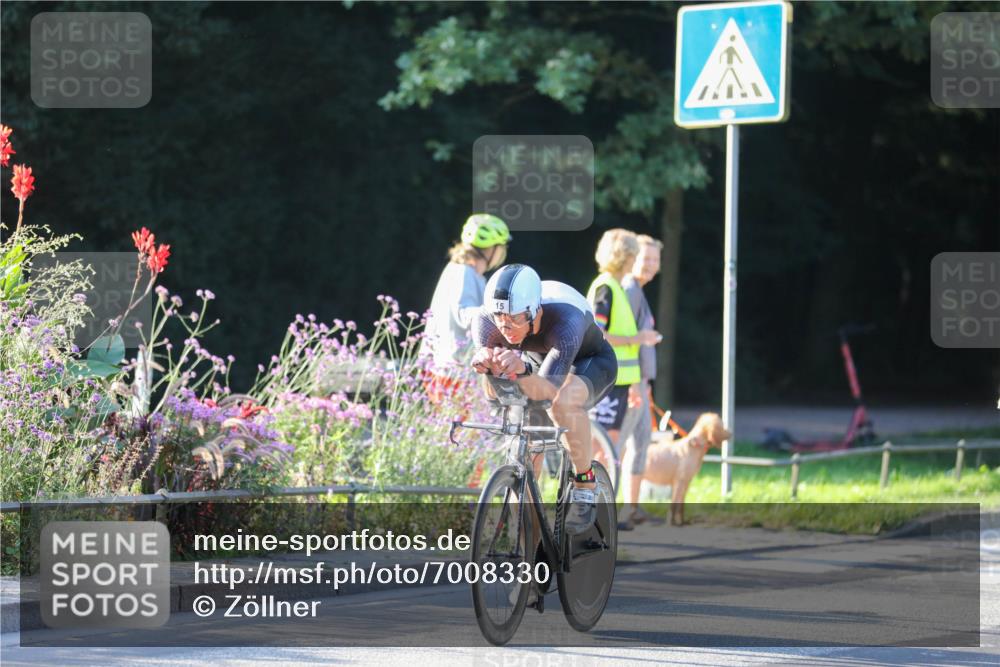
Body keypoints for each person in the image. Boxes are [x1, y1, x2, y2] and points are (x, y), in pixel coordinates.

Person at [470, 264, 617, 537]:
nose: (506, 328)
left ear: (534, 312)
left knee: (563, 403)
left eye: (514, 319)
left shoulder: (566, 321)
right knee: (525, 451)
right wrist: (488, 368)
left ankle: (585, 484)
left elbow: (547, 392)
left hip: (588, 362)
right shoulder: (485, 320)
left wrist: (520, 371)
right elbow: (494, 395)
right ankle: (529, 550)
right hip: (538, 364)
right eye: (500, 318)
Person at [422, 214, 510, 401]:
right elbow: (464, 313)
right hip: (454, 372)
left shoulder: (463, 271)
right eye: (502, 247)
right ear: (492, 249)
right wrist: (502, 316)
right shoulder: (464, 273)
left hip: (450, 369)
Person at [586, 230, 659, 456]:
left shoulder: (617, 288)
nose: (637, 260)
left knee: (609, 446)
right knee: (599, 445)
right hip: (604, 379)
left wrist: (634, 384)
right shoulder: (606, 288)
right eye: (635, 255)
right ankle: (583, 488)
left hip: (618, 382)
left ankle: (598, 490)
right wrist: (637, 338)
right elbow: (596, 333)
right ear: (624, 257)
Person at [616, 234, 664, 530]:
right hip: (629, 382)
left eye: (655, 260)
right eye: (645, 258)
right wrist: (636, 383)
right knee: (619, 446)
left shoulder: (637, 291)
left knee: (639, 443)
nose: (649, 265)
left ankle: (631, 508)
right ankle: (616, 510)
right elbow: (625, 340)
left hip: (639, 381)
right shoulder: (629, 290)